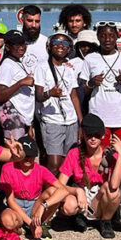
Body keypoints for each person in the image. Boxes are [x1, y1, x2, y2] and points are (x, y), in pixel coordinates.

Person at [57, 114, 121, 239]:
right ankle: (78, 216)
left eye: (97, 135)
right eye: (89, 135)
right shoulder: (74, 153)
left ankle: (105, 221)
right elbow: (59, 185)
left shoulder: (110, 155)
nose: (93, 139)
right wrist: (77, 191)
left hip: (99, 198)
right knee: (68, 206)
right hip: (81, 192)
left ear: (103, 135)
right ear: (83, 134)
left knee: (114, 192)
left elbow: (114, 185)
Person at [0, 136, 71, 240]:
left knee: (53, 191)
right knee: (7, 221)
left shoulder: (41, 170)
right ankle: (23, 228)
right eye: (26, 155)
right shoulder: (8, 168)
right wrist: (30, 223)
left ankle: (43, 224)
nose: (28, 159)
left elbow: (64, 190)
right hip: (16, 205)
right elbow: (11, 201)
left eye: (31, 156)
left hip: (35, 204)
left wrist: (43, 206)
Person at [79, 23, 121, 147]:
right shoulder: (90, 58)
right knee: (100, 154)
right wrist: (91, 83)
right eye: (103, 36)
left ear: (117, 36)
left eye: (111, 35)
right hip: (98, 116)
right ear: (98, 37)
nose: (107, 39)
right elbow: (84, 90)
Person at [35, 32, 83, 174]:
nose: (60, 45)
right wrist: (50, 93)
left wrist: (80, 122)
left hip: (71, 121)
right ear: (49, 46)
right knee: (54, 164)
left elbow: (74, 96)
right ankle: (49, 188)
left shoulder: (69, 68)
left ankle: (63, 188)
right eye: (56, 42)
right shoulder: (42, 67)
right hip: (52, 121)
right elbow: (38, 96)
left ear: (69, 49)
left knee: (68, 162)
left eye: (65, 43)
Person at [0, 31, 37, 141]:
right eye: (17, 44)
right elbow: (0, 96)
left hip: (23, 117)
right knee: (16, 150)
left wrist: (29, 124)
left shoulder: (17, 62)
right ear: (8, 47)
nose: (21, 47)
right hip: (13, 115)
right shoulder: (7, 65)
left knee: (25, 149)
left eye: (23, 44)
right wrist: (21, 82)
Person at [19, 5, 49, 73]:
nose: (34, 25)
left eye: (37, 21)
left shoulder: (47, 42)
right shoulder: (14, 41)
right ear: (22, 20)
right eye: (30, 21)